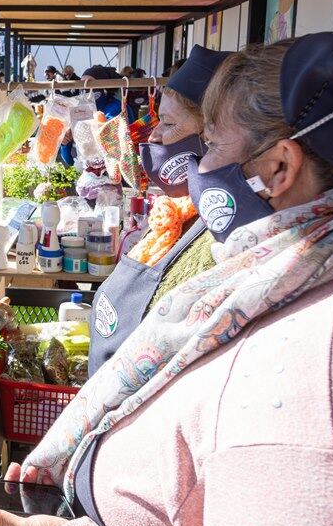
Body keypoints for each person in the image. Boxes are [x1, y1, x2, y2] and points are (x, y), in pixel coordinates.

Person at [0, 34, 333, 526]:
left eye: (213, 145)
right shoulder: (274, 273)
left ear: (279, 167)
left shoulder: (316, 365)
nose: (199, 165)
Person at [87, 45, 231, 374]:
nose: (154, 135)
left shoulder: (222, 231)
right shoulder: (172, 212)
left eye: (167, 123)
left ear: (212, 133)